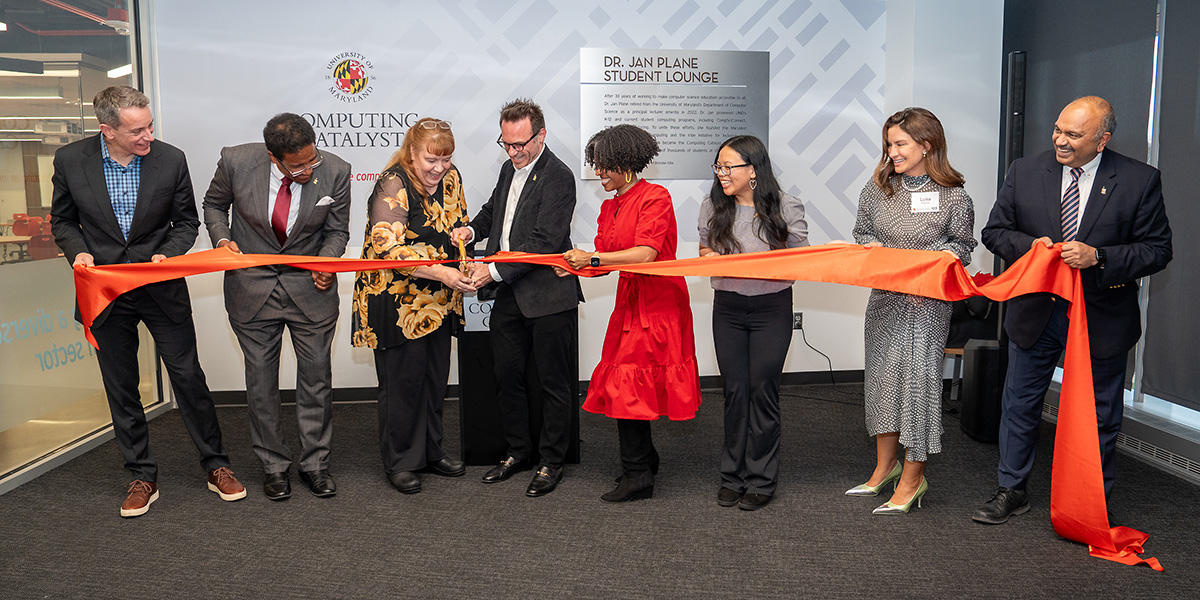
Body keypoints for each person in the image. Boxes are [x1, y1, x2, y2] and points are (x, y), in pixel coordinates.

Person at [49, 85, 245, 517]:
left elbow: (187, 221)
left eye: (151, 125)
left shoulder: (170, 159)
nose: (148, 137)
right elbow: (62, 220)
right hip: (105, 292)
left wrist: (169, 254)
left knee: (188, 377)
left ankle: (217, 466)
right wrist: (77, 251)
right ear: (108, 130)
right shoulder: (70, 161)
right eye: (138, 130)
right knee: (121, 386)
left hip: (160, 288)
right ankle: (141, 475)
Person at [974, 96, 1171, 524]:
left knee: (1099, 413)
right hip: (1035, 312)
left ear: (1102, 140)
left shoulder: (1139, 180)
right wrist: (1032, 248)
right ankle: (1012, 489)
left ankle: (1093, 500)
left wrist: (1099, 256)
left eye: (1073, 135)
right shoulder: (1025, 171)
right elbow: (995, 233)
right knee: (1020, 404)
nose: (1060, 141)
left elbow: (1157, 251)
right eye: (1058, 130)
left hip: (1101, 316)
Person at [202, 113, 351, 501]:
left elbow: (337, 230)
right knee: (262, 384)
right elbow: (214, 205)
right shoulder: (235, 162)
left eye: (311, 160)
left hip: (310, 293)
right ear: (274, 157)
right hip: (252, 291)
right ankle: (273, 466)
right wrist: (221, 241)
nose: (307, 169)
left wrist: (327, 261)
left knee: (316, 381)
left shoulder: (336, 170)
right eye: (297, 165)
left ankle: (315, 464)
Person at [449, 99, 583, 498]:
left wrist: (489, 270)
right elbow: (495, 212)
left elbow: (543, 242)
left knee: (553, 384)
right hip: (510, 295)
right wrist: (472, 232)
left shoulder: (560, 177)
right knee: (506, 378)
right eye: (505, 143)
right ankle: (517, 452)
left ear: (541, 135)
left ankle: (551, 462)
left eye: (520, 143)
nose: (512, 152)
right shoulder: (510, 168)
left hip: (548, 297)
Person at [561, 124, 701, 502]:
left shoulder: (655, 197)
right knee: (630, 383)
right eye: (596, 165)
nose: (599, 172)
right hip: (630, 300)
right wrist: (575, 265)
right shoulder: (611, 205)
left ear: (626, 162)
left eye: (605, 165)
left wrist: (592, 257)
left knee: (630, 385)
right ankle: (643, 461)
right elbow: (605, 261)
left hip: (658, 304)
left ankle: (638, 473)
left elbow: (645, 253)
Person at [849, 107, 976, 515]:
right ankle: (885, 467)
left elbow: (962, 245)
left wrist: (938, 260)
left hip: (926, 305)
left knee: (917, 388)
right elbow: (862, 232)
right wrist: (871, 248)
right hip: (885, 299)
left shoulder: (954, 194)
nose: (892, 152)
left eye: (900, 143)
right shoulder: (877, 189)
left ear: (927, 145)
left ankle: (913, 478)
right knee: (883, 382)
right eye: (889, 144)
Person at [351, 118, 474, 495]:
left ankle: (431, 451)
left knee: (434, 380)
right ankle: (401, 460)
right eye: (431, 160)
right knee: (403, 384)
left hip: (439, 297)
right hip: (396, 298)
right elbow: (388, 249)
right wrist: (442, 272)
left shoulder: (452, 179)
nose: (439, 169)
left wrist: (465, 233)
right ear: (411, 153)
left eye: (446, 159)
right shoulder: (393, 182)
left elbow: (459, 220)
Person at [698, 135, 808, 511]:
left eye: (729, 167)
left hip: (770, 309)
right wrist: (710, 255)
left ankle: (762, 479)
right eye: (719, 167)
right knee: (734, 392)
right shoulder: (713, 207)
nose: (722, 174)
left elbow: (799, 260)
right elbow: (703, 248)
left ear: (754, 170)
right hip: (727, 308)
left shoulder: (787, 207)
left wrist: (755, 264)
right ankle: (733, 476)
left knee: (762, 391)